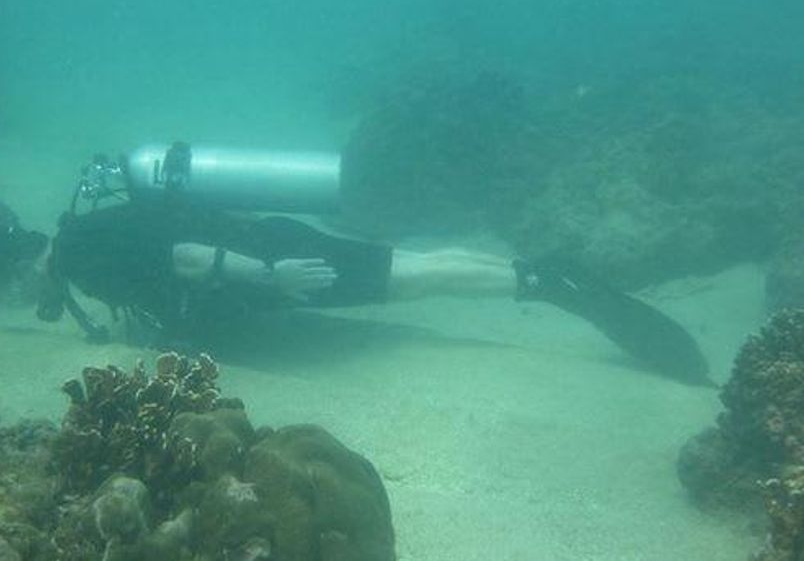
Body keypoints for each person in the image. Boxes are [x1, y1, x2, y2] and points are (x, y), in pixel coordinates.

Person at [36, 147, 713, 387]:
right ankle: (531, 269)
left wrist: (271, 279)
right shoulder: (102, 226)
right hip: (272, 238)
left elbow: (186, 256)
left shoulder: (89, 250)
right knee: (414, 265)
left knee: (416, 277)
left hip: (280, 260)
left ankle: (540, 282)